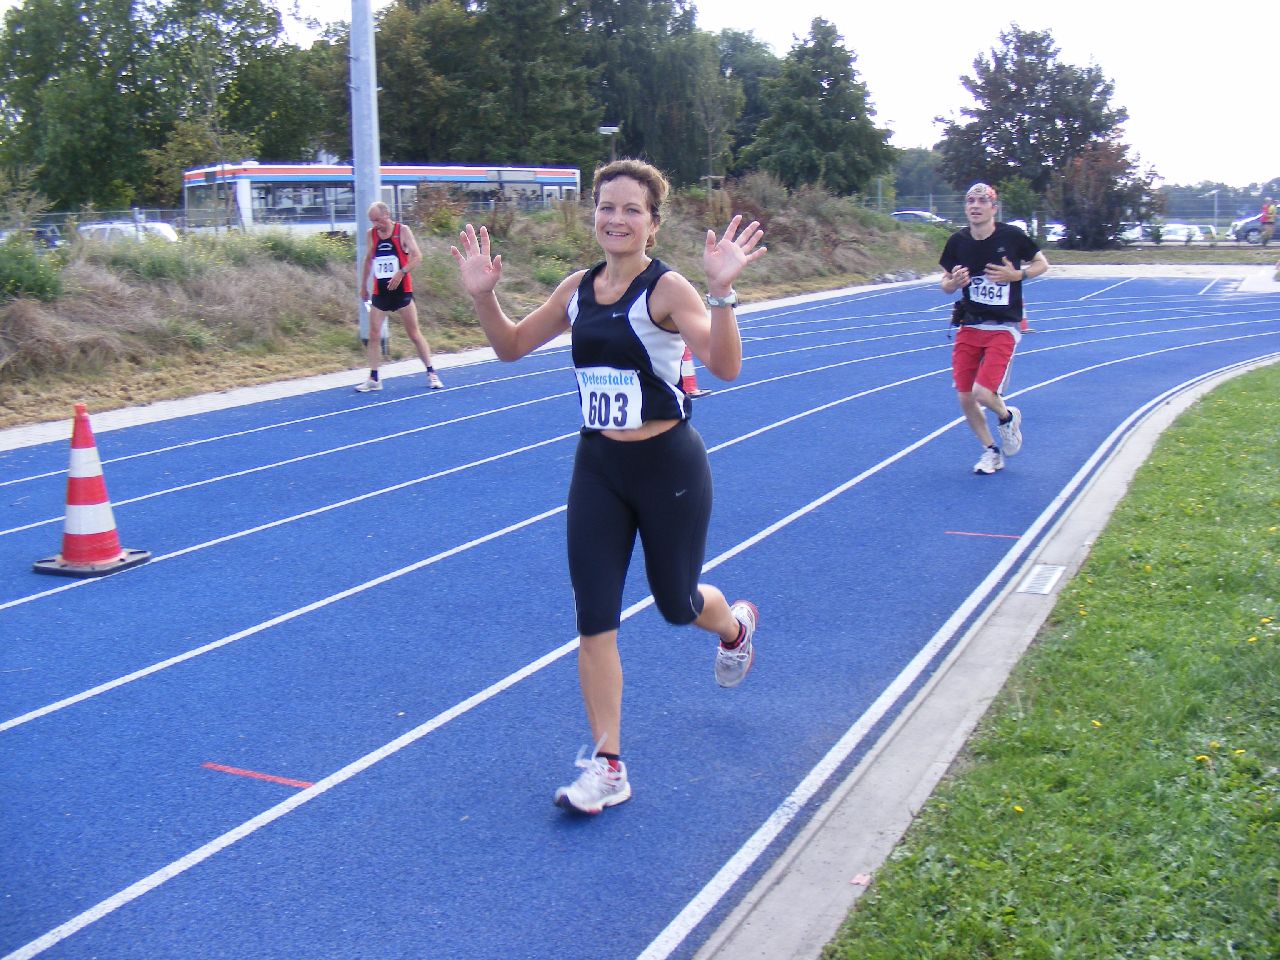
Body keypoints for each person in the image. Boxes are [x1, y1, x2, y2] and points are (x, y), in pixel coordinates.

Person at [450, 159, 766, 815]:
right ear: (592, 214)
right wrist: (483, 296)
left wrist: (722, 293)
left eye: (631, 209)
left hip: (668, 466)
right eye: (606, 206)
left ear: (653, 223)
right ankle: (608, 764)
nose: (616, 219)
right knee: (594, 616)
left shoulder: (669, 289)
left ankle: (733, 626)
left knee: (677, 603)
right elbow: (511, 346)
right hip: (598, 466)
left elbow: (726, 365)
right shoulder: (577, 288)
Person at [939, 183, 1050, 475]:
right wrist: (954, 283)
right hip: (970, 324)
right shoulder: (958, 241)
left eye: (981, 201)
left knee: (983, 393)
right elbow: (945, 284)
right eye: (970, 201)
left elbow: (1042, 264)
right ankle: (991, 451)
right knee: (965, 396)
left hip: (1003, 326)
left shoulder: (1011, 236)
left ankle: (1006, 416)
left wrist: (1017, 274)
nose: (975, 206)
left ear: (993, 208)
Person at [355, 201, 444, 392]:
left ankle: (432, 373)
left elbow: (417, 256)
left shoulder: (402, 231)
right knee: (373, 334)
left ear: (386, 215)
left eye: (377, 220)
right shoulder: (371, 234)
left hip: (402, 290)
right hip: (380, 291)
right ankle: (374, 378)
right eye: (372, 221)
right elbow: (369, 260)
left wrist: (401, 272)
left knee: (414, 334)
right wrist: (363, 286)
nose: (375, 224)